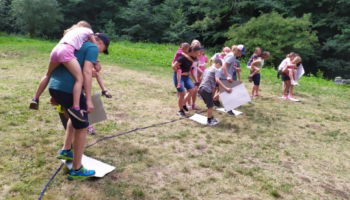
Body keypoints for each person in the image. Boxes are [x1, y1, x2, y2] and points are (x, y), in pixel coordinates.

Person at [49, 33, 110, 180]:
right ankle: (77, 169)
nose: (100, 52)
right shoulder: (91, 47)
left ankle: (66, 149)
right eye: (103, 48)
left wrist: (55, 93)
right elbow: (86, 72)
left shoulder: (73, 44)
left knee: (73, 115)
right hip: (68, 89)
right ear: (100, 42)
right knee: (82, 125)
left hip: (55, 85)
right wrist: (88, 99)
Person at [30, 21, 101, 123]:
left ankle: (35, 98)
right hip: (66, 50)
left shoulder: (70, 33)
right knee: (79, 78)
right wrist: (97, 62)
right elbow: (95, 45)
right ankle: (76, 108)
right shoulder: (88, 30)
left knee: (48, 74)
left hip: (56, 49)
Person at [198, 58, 232, 126]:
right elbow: (217, 80)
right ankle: (209, 121)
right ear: (218, 64)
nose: (219, 68)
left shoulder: (207, 69)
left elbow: (201, 78)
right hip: (207, 89)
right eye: (220, 66)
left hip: (201, 89)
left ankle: (211, 117)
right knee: (210, 106)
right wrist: (226, 88)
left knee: (210, 105)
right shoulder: (216, 70)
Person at [214, 45, 245, 115]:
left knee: (226, 91)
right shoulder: (232, 56)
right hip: (225, 75)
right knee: (229, 92)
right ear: (238, 51)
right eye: (241, 52)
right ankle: (228, 109)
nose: (241, 54)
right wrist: (227, 76)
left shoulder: (232, 55)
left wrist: (236, 68)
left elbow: (228, 64)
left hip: (226, 74)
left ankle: (215, 99)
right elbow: (224, 65)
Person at [172, 46, 201, 117]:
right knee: (182, 93)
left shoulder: (192, 59)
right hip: (178, 76)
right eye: (197, 53)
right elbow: (174, 66)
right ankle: (180, 110)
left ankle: (183, 103)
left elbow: (192, 69)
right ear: (192, 51)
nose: (197, 55)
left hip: (186, 77)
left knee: (192, 90)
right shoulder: (182, 58)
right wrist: (181, 74)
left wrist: (196, 80)